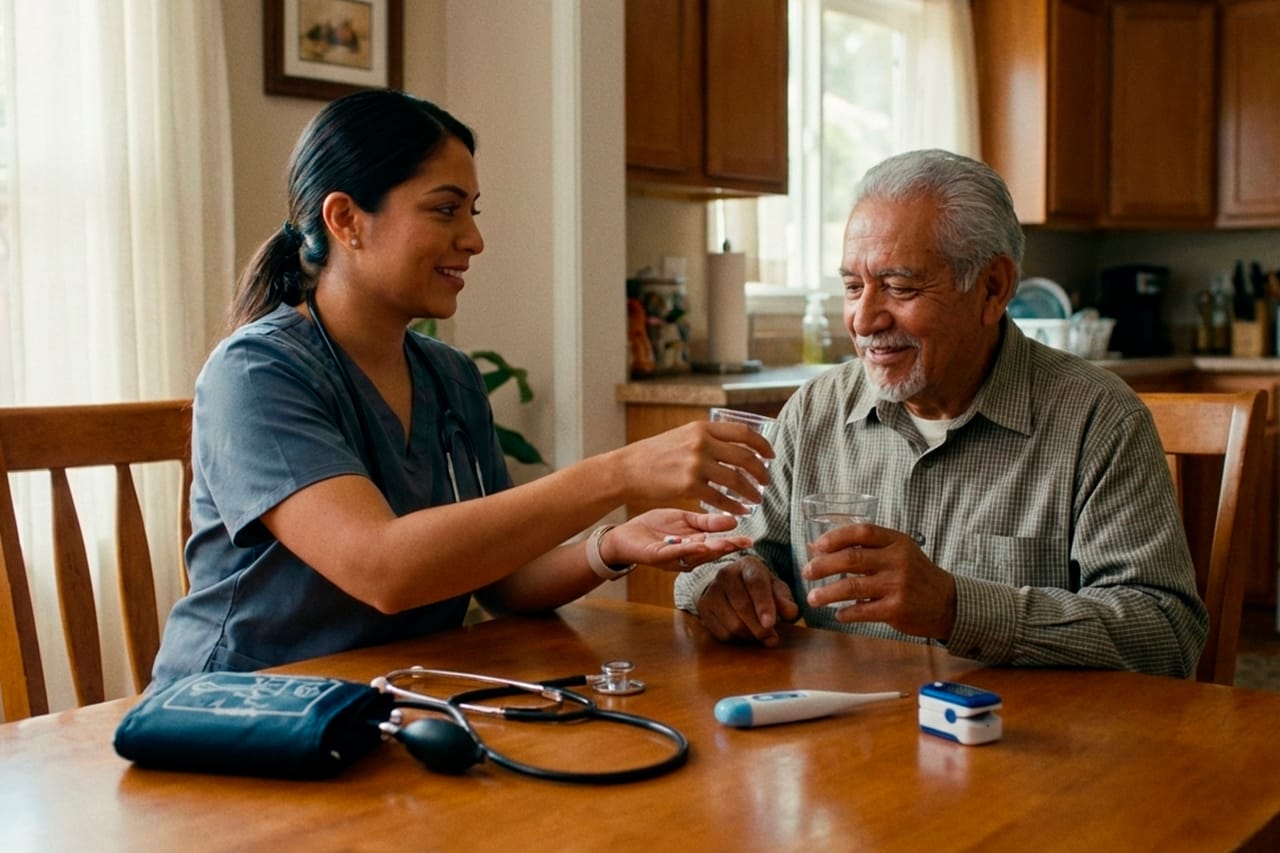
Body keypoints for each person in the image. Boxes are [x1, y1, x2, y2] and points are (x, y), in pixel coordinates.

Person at [151, 90, 772, 686]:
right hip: (241, 718)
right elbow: (384, 568)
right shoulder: (257, 373)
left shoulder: (449, 376)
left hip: (391, 702)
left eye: (472, 212)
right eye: (445, 210)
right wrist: (618, 473)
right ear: (346, 220)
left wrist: (609, 547)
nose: (473, 240)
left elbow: (503, 582)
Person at [675, 149, 1208, 679]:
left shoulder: (1098, 420)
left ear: (992, 289)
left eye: (901, 287)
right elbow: (721, 560)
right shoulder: (813, 413)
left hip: (1018, 747)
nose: (863, 320)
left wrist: (957, 608)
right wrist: (725, 584)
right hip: (840, 742)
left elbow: (1165, 634)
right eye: (853, 287)